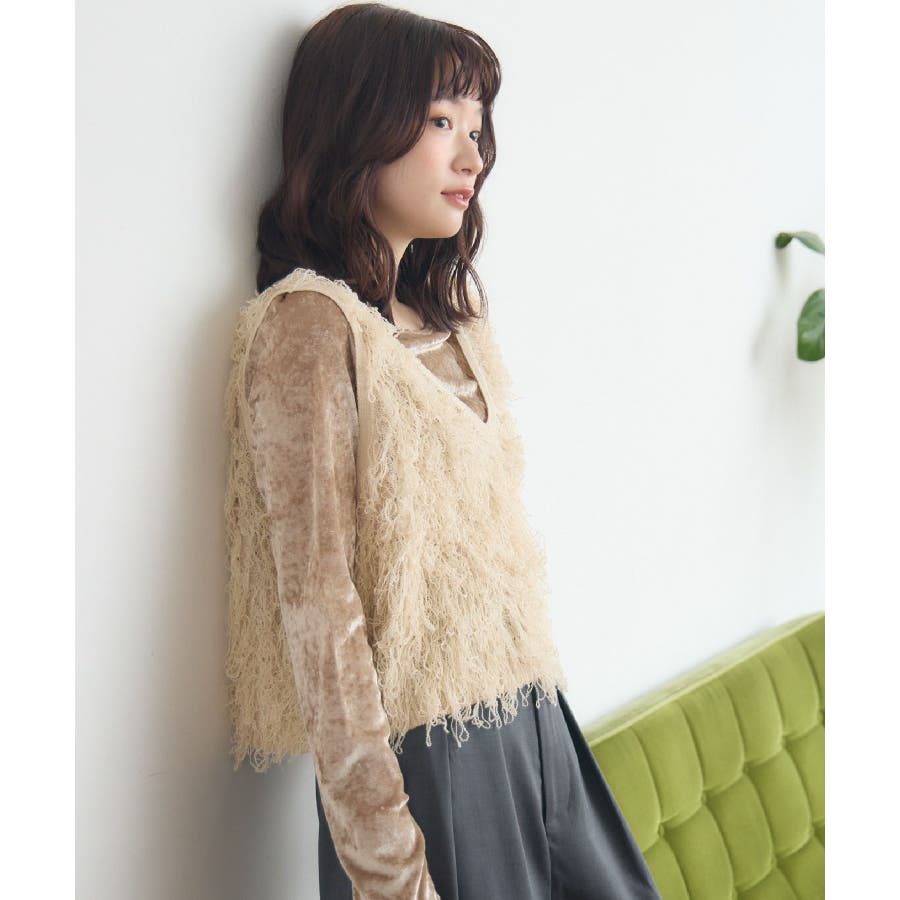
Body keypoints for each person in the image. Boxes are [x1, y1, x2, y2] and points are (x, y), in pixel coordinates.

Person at [223, 4, 663, 899]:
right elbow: (322, 618)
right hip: (437, 763)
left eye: (476, 125)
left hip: (537, 720)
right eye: (439, 121)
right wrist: (389, 867)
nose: (473, 155)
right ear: (359, 124)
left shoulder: (450, 319)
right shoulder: (310, 327)